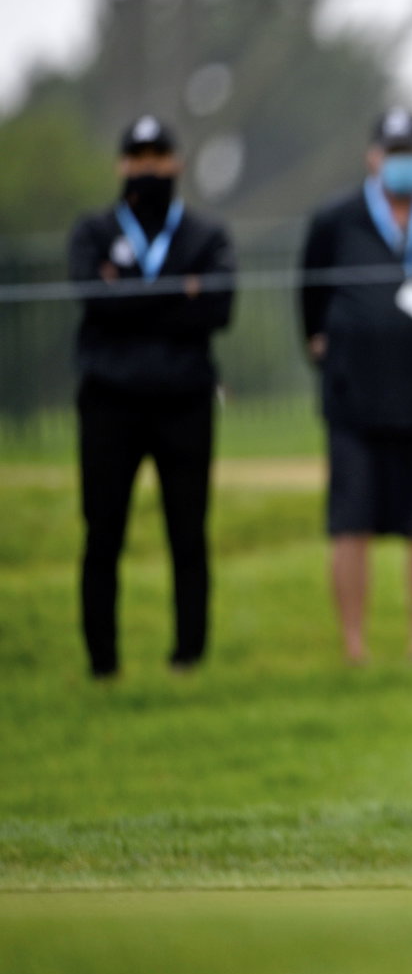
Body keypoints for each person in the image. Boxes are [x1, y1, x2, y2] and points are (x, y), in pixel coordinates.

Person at [299, 107, 412, 665]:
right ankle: (355, 649)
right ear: (373, 157)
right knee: (352, 523)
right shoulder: (336, 219)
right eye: (392, 153)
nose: (403, 163)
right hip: (355, 399)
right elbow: (310, 299)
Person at [67, 115, 235, 679]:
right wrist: (176, 293)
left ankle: (188, 656)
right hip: (109, 401)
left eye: (158, 157)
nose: (149, 167)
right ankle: (102, 663)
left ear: (177, 163)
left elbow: (216, 309)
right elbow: (95, 303)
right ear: (122, 165)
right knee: (102, 531)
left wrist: (131, 293)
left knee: (188, 532)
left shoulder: (206, 235)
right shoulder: (91, 232)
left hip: (184, 400)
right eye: (138, 158)